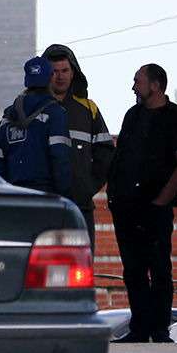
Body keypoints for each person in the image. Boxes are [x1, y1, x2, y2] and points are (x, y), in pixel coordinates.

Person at [107, 63, 177, 343]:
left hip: (156, 208)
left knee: (158, 267)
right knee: (132, 269)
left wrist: (160, 202)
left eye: (138, 81)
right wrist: (114, 197)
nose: (134, 87)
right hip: (126, 207)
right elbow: (120, 157)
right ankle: (139, 327)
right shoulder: (132, 116)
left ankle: (159, 328)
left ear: (155, 85)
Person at [42, 44, 114, 251]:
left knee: (81, 267)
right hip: (43, 206)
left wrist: (86, 187)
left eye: (64, 70)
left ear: (73, 73)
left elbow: (106, 153)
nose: (60, 76)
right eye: (54, 71)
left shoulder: (88, 110)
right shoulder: (29, 108)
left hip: (79, 207)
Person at [0, 56, 73, 196]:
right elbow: (60, 158)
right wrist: (64, 195)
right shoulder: (55, 113)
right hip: (46, 198)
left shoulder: (7, 118)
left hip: (14, 198)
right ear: (50, 78)